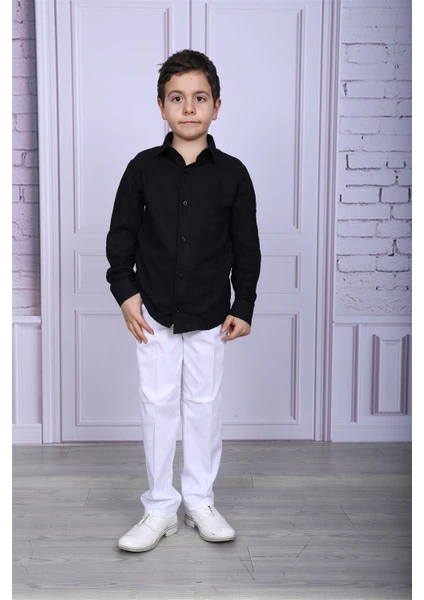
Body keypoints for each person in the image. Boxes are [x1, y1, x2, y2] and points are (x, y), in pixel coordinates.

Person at [106, 49, 261, 553]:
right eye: (177, 98)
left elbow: (246, 246)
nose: (189, 108)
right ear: (161, 106)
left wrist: (244, 305)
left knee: (204, 407)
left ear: (217, 106)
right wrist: (126, 294)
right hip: (152, 313)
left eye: (199, 98)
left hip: (212, 313)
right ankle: (158, 507)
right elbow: (120, 237)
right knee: (157, 407)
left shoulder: (233, 174)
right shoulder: (141, 168)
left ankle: (199, 501)